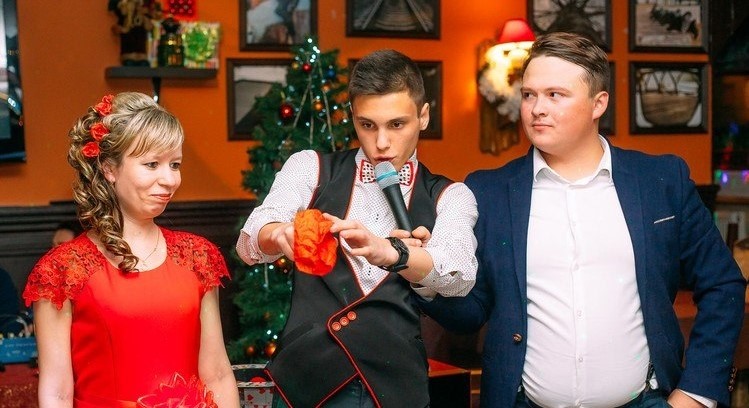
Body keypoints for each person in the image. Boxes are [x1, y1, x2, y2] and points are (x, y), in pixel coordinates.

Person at [419, 32, 747, 408]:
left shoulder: (661, 181)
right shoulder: (488, 191)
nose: (537, 108)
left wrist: (696, 394)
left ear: (598, 103)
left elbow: (722, 284)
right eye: (529, 95)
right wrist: (424, 272)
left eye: (555, 94)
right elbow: (471, 311)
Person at [236, 49, 478, 407]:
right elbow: (253, 236)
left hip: (395, 388)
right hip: (307, 381)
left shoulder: (451, 195)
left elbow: (460, 276)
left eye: (397, 125)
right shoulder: (310, 167)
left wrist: (394, 253)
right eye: (368, 125)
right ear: (352, 117)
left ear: (424, 116)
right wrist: (279, 234)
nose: (381, 143)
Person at [22, 92, 240, 407]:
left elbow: (217, 374)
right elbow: (56, 392)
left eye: (175, 164)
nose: (169, 179)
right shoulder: (62, 270)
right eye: (152, 164)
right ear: (109, 168)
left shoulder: (198, 257)